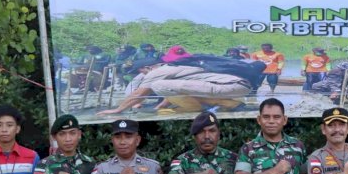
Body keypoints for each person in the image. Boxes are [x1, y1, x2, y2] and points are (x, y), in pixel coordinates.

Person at [96, 59, 256, 115]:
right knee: (163, 86)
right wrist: (159, 108)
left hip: (229, 86)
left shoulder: (157, 72)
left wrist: (118, 110)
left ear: (147, 68)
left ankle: (198, 109)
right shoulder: (173, 68)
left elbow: (140, 93)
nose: (140, 74)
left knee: (157, 85)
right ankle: (229, 104)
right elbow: (175, 91)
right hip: (235, 86)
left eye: (140, 71)